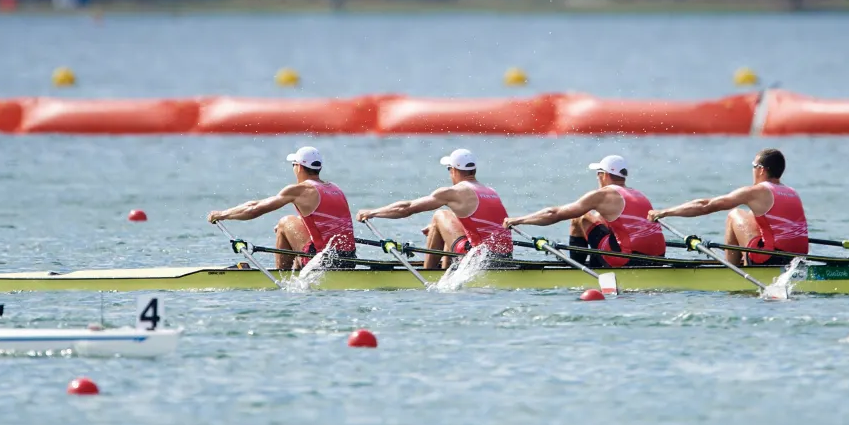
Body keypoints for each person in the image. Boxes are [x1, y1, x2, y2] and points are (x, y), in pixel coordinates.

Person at [356, 148, 513, 269]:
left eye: (449, 169)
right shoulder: (490, 191)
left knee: (440, 215)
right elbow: (480, 224)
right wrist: (438, 228)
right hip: (505, 257)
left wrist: (372, 212)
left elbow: (407, 208)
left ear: (454, 170)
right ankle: (446, 269)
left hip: (481, 259)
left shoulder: (454, 192)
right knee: (445, 218)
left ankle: (430, 274)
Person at [648, 148, 808, 266]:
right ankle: (745, 261)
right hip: (798, 259)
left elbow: (706, 206)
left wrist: (664, 212)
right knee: (752, 216)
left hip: (771, 258)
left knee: (735, 214)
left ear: (761, 169)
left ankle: (732, 269)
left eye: (753, 166)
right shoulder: (792, 192)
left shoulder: (757, 191)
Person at [503, 154, 666, 268]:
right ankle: (597, 262)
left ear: (603, 175)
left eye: (598, 174)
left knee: (579, 218)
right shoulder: (638, 194)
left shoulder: (603, 195)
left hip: (629, 260)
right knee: (601, 223)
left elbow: (554, 214)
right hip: (659, 258)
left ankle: (577, 269)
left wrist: (518, 220)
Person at [207, 145, 356, 270]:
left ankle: (282, 276)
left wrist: (223, 214)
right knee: (293, 224)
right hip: (349, 260)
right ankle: (297, 266)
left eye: (293, 165)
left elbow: (254, 208)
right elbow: (324, 222)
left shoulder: (300, 190)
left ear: (299, 167)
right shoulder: (335, 188)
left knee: (284, 222)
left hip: (326, 261)